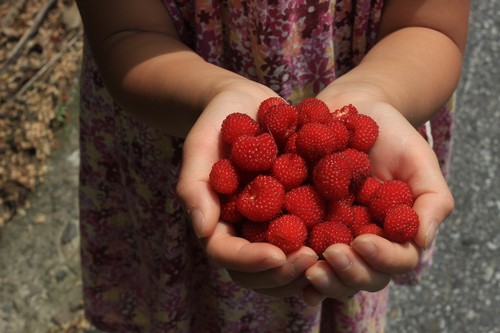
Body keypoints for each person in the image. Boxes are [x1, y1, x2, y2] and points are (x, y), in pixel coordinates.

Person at [75, 0, 469, 332]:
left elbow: (432, 28)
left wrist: (376, 92)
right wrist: (215, 93)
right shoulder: (257, 169)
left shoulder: (344, 171)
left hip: (381, 88)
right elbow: (122, 34)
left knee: (342, 269)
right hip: (170, 124)